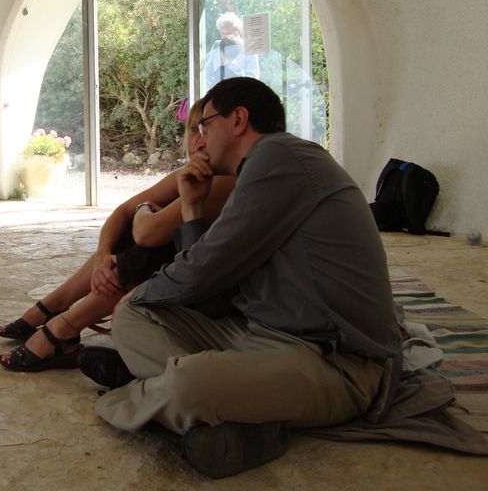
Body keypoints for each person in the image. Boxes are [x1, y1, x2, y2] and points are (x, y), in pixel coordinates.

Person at [77, 77, 402, 479]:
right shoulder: (259, 170)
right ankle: (240, 409)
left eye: (204, 125)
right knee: (131, 319)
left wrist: (141, 293)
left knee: (189, 384)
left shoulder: (279, 158)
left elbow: (201, 272)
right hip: (260, 334)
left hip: (335, 361)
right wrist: (193, 207)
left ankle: (139, 391)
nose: (198, 138)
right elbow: (212, 288)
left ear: (239, 119)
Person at [0, 100, 237, 372]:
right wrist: (102, 255)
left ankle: (62, 326)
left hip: (207, 293)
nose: (198, 141)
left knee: (147, 248)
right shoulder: (190, 174)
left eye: (207, 130)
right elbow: (122, 211)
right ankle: (56, 307)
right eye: (193, 130)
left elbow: (148, 234)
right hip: (178, 278)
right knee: (121, 238)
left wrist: (145, 210)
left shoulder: (226, 182)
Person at [205, 12, 259, 89]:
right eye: (222, 33)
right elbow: (208, 69)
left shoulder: (248, 49)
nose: (225, 36)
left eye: (228, 33)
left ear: (239, 31)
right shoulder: (217, 45)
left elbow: (253, 78)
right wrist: (208, 83)